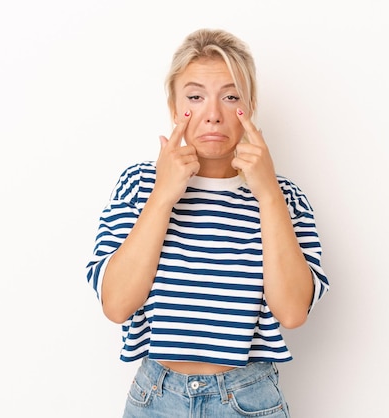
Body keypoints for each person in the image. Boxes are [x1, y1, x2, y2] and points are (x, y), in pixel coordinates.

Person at [85, 28, 329, 417]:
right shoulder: (139, 185)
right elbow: (116, 304)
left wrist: (268, 194)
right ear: (173, 105)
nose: (213, 113)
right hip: (155, 397)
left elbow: (293, 312)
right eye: (195, 97)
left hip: (247, 399)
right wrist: (163, 195)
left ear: (249, 107)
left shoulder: (284, 197)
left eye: (230, 96)